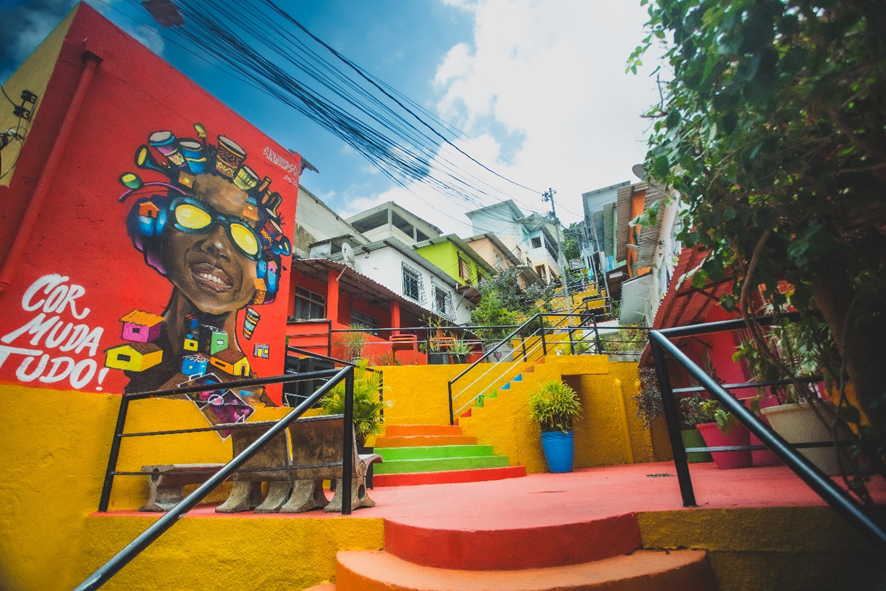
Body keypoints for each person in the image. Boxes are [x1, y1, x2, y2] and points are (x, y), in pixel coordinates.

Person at [106, 124, 290, 406]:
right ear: (158, 231)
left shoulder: (258, 398)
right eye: (193, 215)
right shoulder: (140, 363)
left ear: (264, 274)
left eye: (243, 236)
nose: (217, 245)